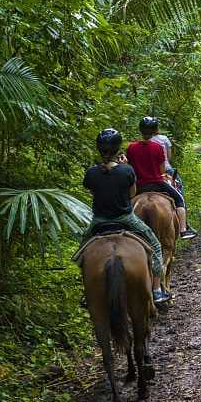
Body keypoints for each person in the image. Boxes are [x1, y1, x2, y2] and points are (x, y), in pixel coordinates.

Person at [81, 128, 171, 304]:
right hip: (125, 218)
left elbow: (93, 191)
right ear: (118, 149)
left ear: (99, 149)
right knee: (156, 245)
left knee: (83, 252)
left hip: (99, 220)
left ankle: (87, 291)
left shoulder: (91, 173)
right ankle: (157, 289)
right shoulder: (127, 170)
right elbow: (132, 194)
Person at [127, 116, 197, 240]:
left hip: (139, 186)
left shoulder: (131, 148)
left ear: (140, 130)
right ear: (154, 131)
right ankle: (183, 229)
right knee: (179, 199)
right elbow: (162, 170)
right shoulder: (157, 147)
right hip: (158, 184)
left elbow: (130, 168)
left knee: (124, 206)